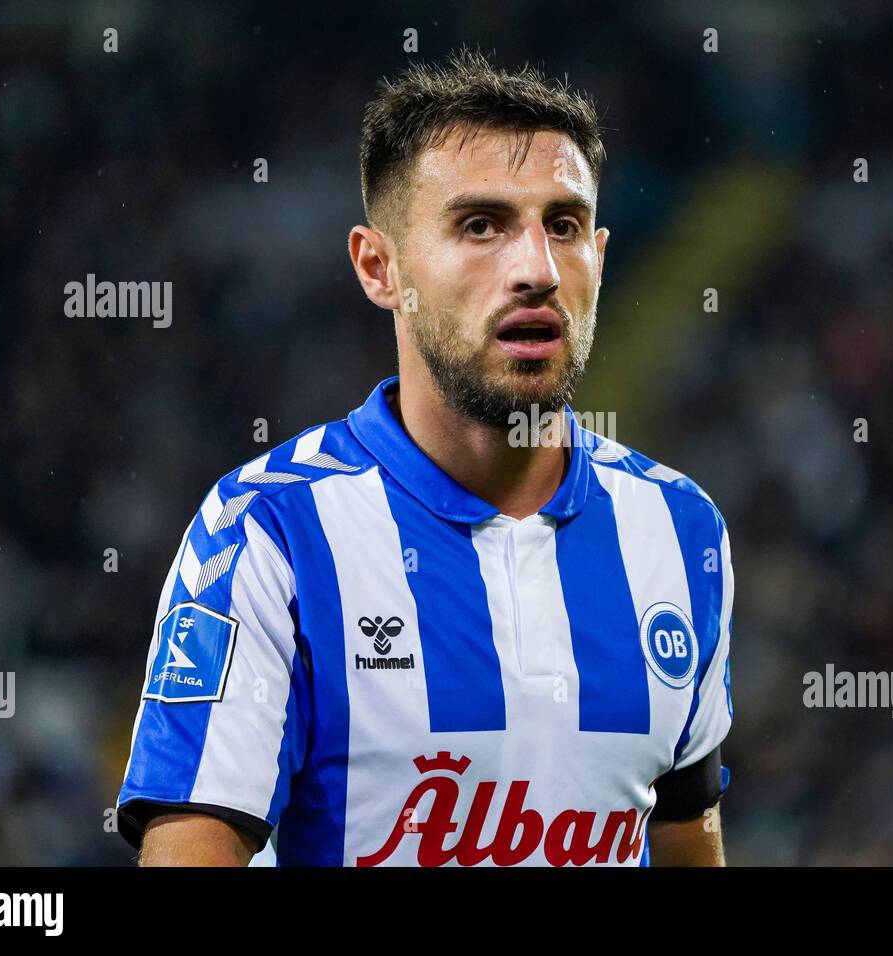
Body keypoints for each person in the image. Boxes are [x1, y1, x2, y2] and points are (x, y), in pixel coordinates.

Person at [116, 48, 734, 866]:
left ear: (601, 254)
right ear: (381, 268)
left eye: (565, 225)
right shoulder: (270, 533)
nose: (537, 270)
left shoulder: (680, 529)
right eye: (481, 225)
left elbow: (687, 837)